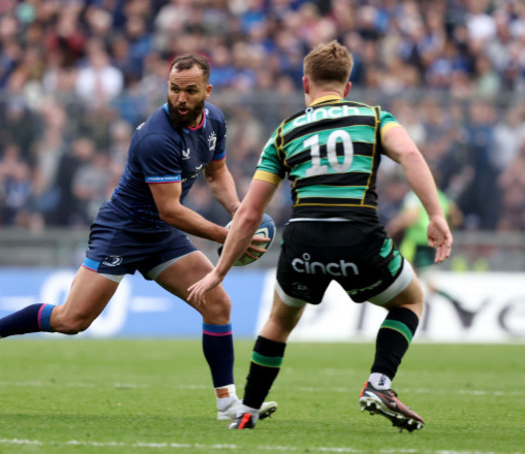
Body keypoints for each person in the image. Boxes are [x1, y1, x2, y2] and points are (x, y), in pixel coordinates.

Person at [0, 54, 277, 422]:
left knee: (217, 303)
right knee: (71, 320)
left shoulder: (214, 120)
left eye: (190, 90)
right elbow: (171, 209)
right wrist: (229, 235)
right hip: (122, 230)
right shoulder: (156, 137)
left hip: (160, 235)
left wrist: (239, 214)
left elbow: (217, 175)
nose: (180, 98)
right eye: (174, 89)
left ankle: (227, 405)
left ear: (208, 90)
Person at [188, 41, 452, 432]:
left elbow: (249, 214)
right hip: (358, 235)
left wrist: (219, 271)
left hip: (304, 241)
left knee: (279, 321)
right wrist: (435, 214)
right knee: (410, 301)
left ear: (305, 83)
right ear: (347, 87)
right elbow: (411, 156)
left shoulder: (284, 132)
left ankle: (248, 411)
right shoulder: (375, 118)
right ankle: (379, 382)